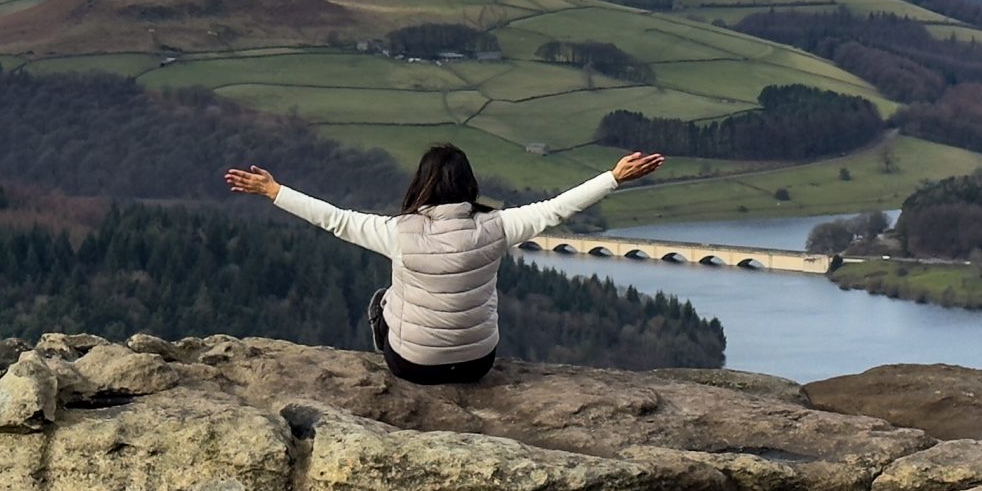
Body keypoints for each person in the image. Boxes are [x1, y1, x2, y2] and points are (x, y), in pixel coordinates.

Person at [225, 144, 664, 385]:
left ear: (421, 184)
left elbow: (336, 220)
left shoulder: (399, 232)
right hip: (478, 364)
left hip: (412, 367)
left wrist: (274, 191)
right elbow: (555, 209)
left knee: (383, 300)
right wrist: (613, 178)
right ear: (469, 185)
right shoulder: (497, 227)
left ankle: (405, 345)